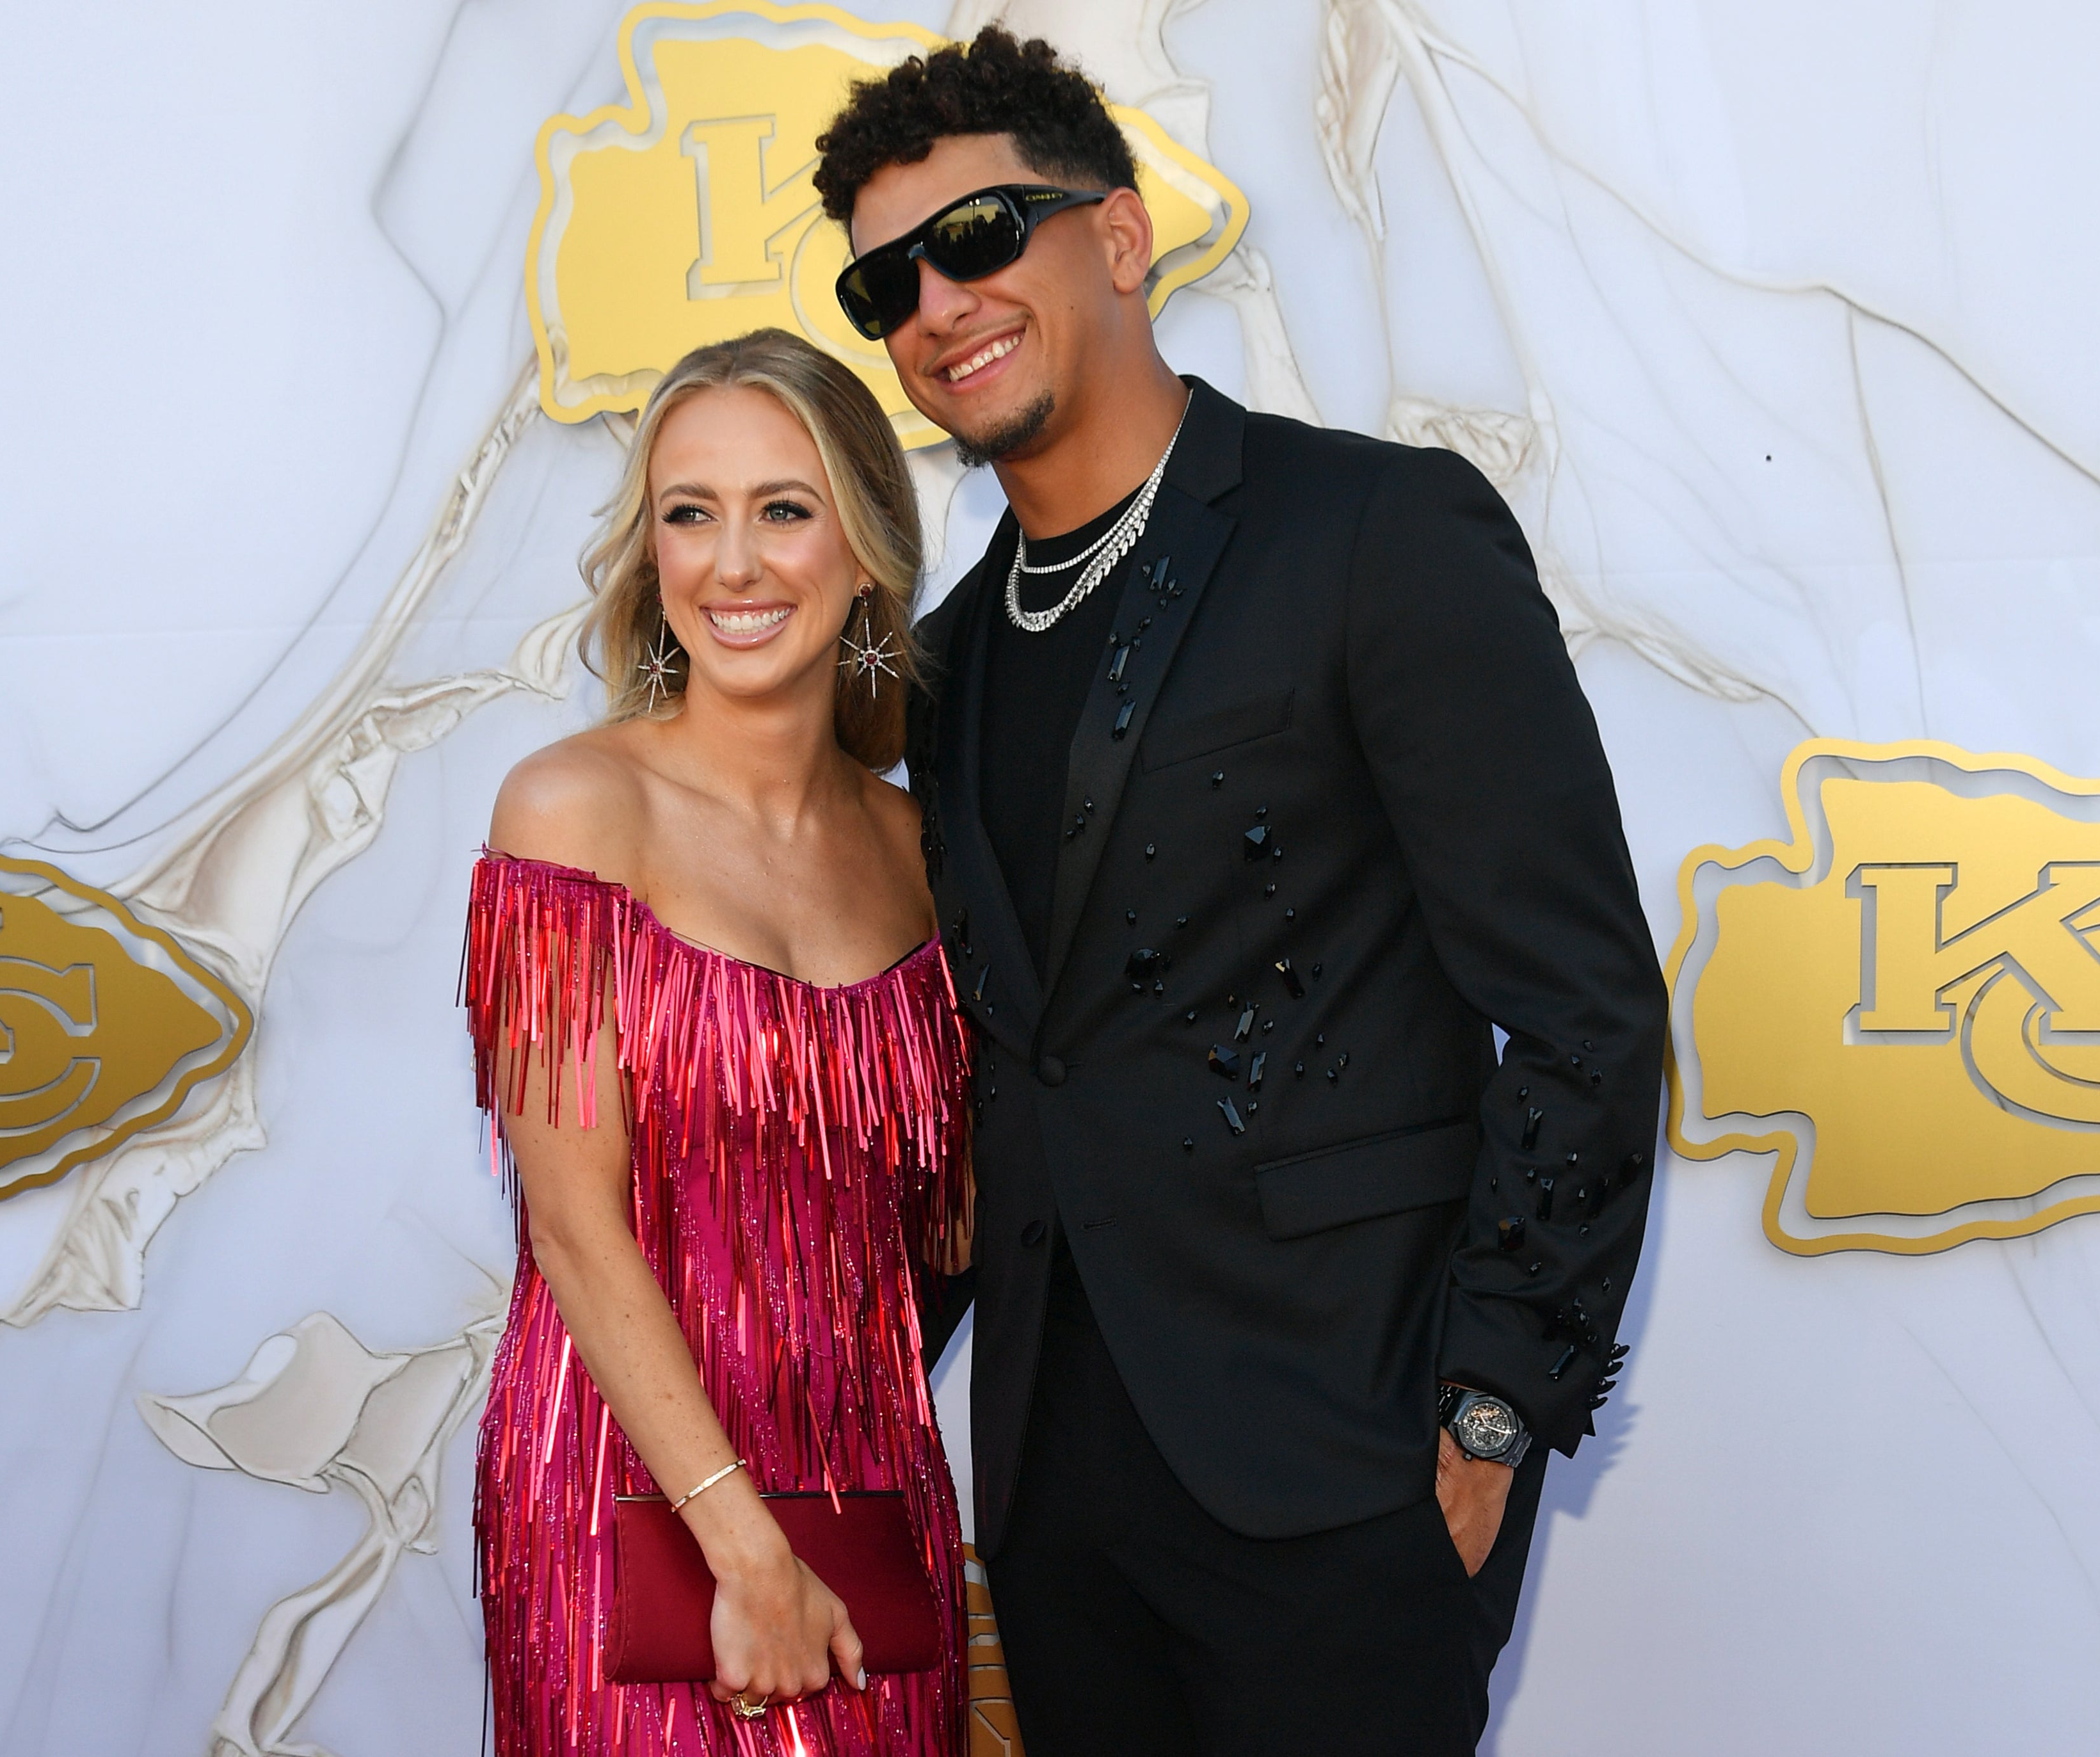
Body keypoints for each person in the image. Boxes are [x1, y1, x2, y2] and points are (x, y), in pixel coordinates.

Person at [811, 28, 1670, 1756]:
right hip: (1059, 1494)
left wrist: (1492, 1407)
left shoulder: (1370, 530)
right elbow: (1011, 1068)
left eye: (978, 236)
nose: (936, 303)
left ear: (1117, 239)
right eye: (886, 280)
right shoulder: (958, 660)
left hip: (1345, 1465)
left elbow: (1581, 1002)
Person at [463, 330, 970, 1756]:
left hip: (872, 1495)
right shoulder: (570, 812)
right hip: (630, 1494)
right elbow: (570, 1222)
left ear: (866, 548)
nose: (732, 564)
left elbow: (949, 1223)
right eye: (690, 512)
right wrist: (745, 1548)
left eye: (783, 509)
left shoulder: (926, 851)